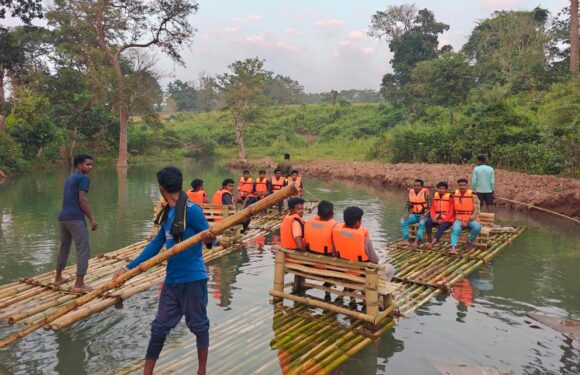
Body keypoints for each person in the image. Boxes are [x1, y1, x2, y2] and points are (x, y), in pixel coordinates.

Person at [113, 166, 216, 375]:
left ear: (161, 189)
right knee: (159, 328)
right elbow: (155, 245)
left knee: (198, 326)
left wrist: (210, 237)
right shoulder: (169, 213)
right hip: (172, 282)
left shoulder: (192, 210)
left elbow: (212, 240)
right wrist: (128, 268)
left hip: (193, 280)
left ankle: (201, 371)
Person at [332, 207, 395, 305]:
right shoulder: (364, 240)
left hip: (345, 273)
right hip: (362, 276)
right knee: (390, 268)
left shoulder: (336, 235)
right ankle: (376, 294)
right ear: (357, 223)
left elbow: (334, 254)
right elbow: (375, 262)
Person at [54, 153, 98, 292]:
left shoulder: (70, 178)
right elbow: (82, 200)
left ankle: (58, 278)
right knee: (83, 249)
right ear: (79, 165)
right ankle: (79, 284)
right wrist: (91, 218)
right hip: (75, 218)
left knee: (64, 246)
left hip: (63, 217)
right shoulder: (83, 178)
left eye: (91, 164)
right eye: (87, 164)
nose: (90, 167)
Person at [450, 178, 482, 255]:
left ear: (467, 185)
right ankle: (453, 248)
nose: (462, 187)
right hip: (459, 218)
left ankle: (469, 241)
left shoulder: (473, 195)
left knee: (477, 227)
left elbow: (477, 211)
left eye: (464, 185)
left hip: (470, 218)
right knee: (455, 229)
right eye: (460, 185)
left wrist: (467, 222)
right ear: (458, 186)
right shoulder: (454, 194)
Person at [400, 179, 430, 248]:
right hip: (414, 215)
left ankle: (417, 241)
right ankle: (406, 240)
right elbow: (408, 205)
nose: (416, 187)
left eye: (418, 185)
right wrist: (407, 214)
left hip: (424, 215)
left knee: (422, 223)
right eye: (415, 185)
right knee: (403, 220)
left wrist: (424, 215)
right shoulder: (411, 192)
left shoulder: (426, 194)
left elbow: (430, 208)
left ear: (422, 186)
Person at [424, 182, 455, 249]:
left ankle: (432, 243)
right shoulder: (435, 196)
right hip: (437, 218)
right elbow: (433, 209)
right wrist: (433, 217)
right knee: (427, 222)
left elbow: (451, 212)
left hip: (447, 220)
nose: (441, 190)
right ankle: (429, 239)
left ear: (446, 189)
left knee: (442, 227)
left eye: (443, 188)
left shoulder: (450, 197)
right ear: (438, 189)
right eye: (440, 188)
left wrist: (444, 220)